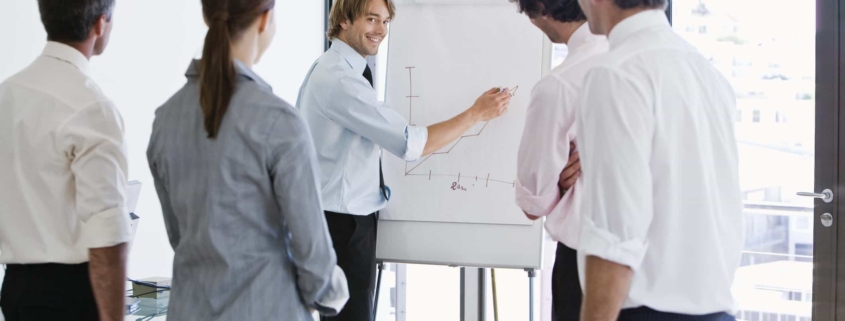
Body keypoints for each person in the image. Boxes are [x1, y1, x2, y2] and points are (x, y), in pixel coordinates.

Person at [297, 0, 511, 319]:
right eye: (372, 19)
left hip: (341, 218)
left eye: (385, 21)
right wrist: (475, 114)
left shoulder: (335, 68)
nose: (381, 30)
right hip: (344, 225)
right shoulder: (341, 80)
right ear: (344, 20)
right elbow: (409, 143)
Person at [146, 0, 349, 320]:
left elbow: (180, 238)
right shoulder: (279, 121)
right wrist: (330, 294)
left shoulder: (165, 120)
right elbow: (314, 258)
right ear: (265, 19)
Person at [573, 0, 743, 320]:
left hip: (648, 313)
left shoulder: (616, 74)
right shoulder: (707, 73)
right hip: (717, 311)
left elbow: (615, 236)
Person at [0, 0, 130, 320]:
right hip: (70, 295)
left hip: (14, 290)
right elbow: (107, 235)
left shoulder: (6, 94)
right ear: (100, 24)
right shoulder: (91, 106)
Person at [510, 0, 608, 320]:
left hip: (584, 264)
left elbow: (533, 204)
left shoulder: (559, 86)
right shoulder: (638, 59)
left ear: (539, 8)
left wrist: (562, 185)